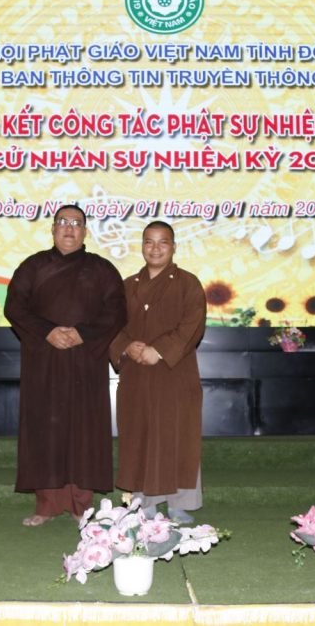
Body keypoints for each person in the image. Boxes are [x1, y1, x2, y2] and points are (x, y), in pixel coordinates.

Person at [4, 204, 127, 527]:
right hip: (43, 359)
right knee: (45, 430)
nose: (69, 228)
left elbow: (116, 310)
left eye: (76, 223)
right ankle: (47, 505)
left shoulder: (102, 269)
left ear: (85, 231)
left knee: (84, 432)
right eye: (63, 222)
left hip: (86, 360)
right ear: (53, 229)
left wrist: (82, 333)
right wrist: (47, 331)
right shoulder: (33, 266)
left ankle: (80, 505)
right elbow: (15, 307)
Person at [109, 221, 207, 522]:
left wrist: (160, 350)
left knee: (178, 434)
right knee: (139, 434)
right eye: (149, 242)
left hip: (175, 373)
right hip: (136, 375)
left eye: (162, 242)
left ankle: (179, 504)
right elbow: (110, 325)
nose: (155, 248)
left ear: (173, 247)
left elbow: (192, 325)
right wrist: (127, 346)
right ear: (142, 246)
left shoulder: (188, 283)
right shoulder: (127, 286)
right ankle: (143, 502)